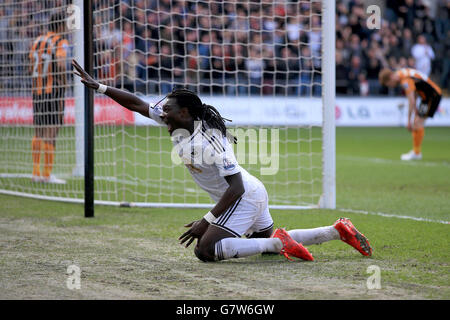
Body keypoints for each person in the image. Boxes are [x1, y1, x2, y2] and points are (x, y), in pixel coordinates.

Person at [72, 59, 373, 262]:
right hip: (249, 193)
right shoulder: (176, 123)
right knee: (264, 247)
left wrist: (207, 220)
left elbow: (237, 187)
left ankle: (277, 242)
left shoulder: (210, 139)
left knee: (205, 250)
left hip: (245, 195)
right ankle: (336, 231)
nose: (162, 113)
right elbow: (137, 103)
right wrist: (99, 87)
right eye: (163, 110)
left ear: (186, 113)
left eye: (169, 110)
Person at [29, 13, 68, 184]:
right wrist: (64, 83)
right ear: (60, 26)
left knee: (39, 131)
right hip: (53, 91)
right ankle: (47, 174)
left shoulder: (37, 41)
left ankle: (36, 172)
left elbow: (31, 67)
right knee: (52, 132)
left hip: (37, 90)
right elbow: (59, 64)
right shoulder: (60, 42)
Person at [379, 67, 442, 161]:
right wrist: (416, 109)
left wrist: (408, 120)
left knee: (417, 123)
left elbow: (411, 101)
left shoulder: (405, 80)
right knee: (417, 123)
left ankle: (416, 153)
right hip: (427, 96)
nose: (391, 86)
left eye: (389, 84)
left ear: (391, 77)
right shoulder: (401, 73)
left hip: (432, 95)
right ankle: (416, 152)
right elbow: (415, 91)